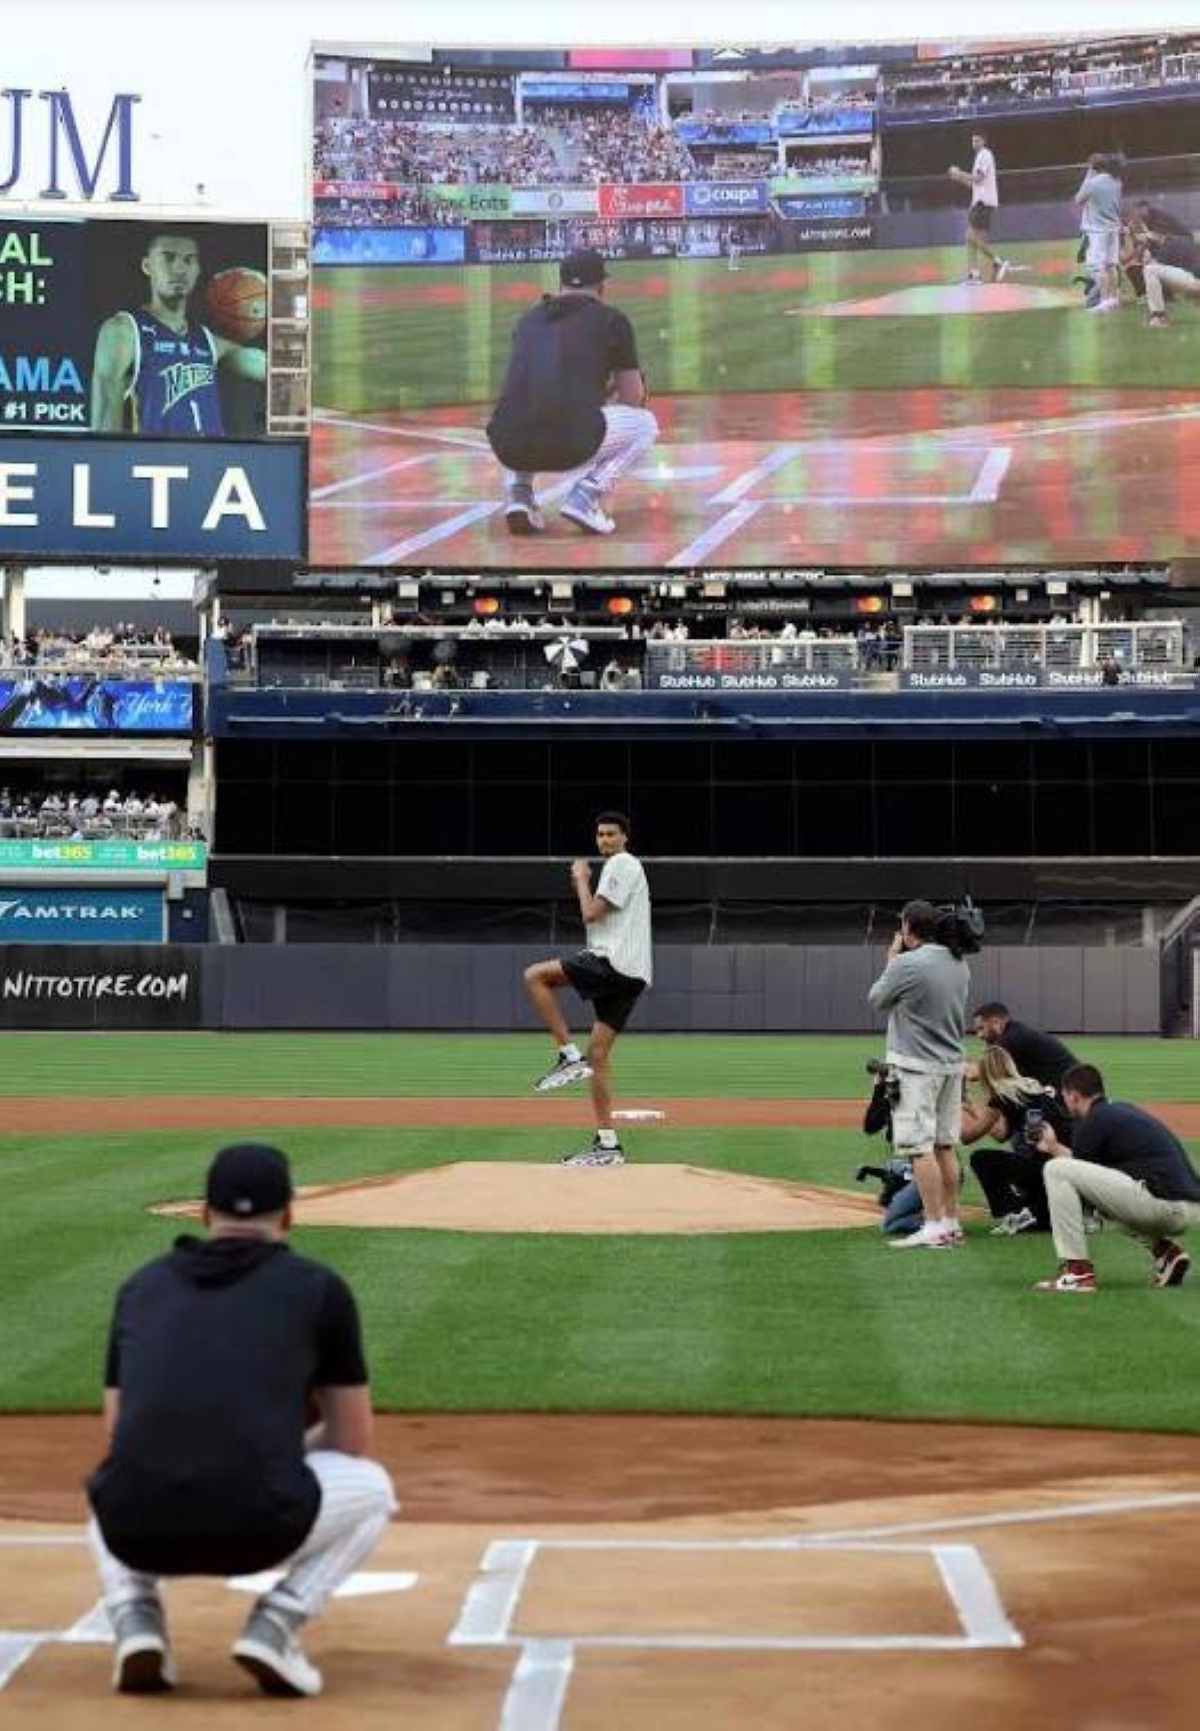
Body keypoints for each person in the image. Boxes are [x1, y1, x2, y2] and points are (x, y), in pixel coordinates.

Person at [86, 1144, 396, 1698]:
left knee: (115, 1478)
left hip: (138, 1531)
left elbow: (119, 1433)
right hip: (261, 1528)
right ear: (289, 1214)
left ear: (205, 1213)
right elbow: (352, 1439)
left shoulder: (141, 1287)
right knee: (374, 1488)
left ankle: (135, 1620)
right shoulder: (318, 1289)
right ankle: (277, 1623)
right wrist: (278, 1443)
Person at [486, 248, 658, 538]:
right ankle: (587, 494)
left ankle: (519, 495)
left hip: (506, 443)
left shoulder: (527, 320)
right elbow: (633, 398)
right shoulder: (612, 319)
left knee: (522, 406)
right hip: (570, 444)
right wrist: (607, 395)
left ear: (560, 284)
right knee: (646, 425)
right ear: (601, 286)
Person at [523, 810, 652, 1167]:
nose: (605, 840)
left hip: (614, 962)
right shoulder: (624, 868)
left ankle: (567, 1055)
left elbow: (591, 913)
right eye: (600, 834)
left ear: (625, 837)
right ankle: (607, 1145)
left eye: (612, 834)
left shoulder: (622, 864)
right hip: (633, 973)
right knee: (598, 1057)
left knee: (535, 976)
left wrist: (581, 879)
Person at [1032, 1064, 1200, 1293]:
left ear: (1073, 1095)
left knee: (1055, 1170)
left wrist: (1053, 1150)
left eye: (1065, 1097)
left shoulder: (1092, 1121)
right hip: (1188, 1207)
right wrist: (1053, 1147)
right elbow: (1089, 1175)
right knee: (1098, 1200)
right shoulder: (1121, 1110)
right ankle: (1166, 1254)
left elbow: (1073, 1171)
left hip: (1163, 1206)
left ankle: (1077, 1273)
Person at [867, 899, 971, 1249]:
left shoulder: (909, 963)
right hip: (951, 1066)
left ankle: (933, 1224)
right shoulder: (959, 962)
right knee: (945, 1146)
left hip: (916, 1066)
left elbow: (878, 998)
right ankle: (951, 1222)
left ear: (910, 928)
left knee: (918, 1148)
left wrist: (892, 959)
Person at [91, 231, 267, 435]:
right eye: (168, 258)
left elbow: (272, 372)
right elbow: (103, 424)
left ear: (197, 269)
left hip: (211, 461)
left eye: (188, 260)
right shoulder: (125, 330)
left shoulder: (208, 342)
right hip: (158, 462)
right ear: (147, 266)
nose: (179, 268)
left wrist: (269, 303)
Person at [961, 1045, 1071, 1235]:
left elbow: (968, 1137)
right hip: (1066, 1167)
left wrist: (961, 1105)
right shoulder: (1029, 1086)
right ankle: (1037, 1211)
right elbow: (1002, 1134)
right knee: (1042, 1219)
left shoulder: (1002, 1094)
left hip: (1047, 1169)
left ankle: (1013, 1212)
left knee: (981, 1159)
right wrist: (973, 1107)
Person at [947, 131, 1023, 283]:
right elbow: (975, 184)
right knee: (973, 239)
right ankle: (974, 274)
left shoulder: (984, 155)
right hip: (982, 201)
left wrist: (960, 172)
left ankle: (999, 261)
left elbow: (979, 178)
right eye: (973, 141)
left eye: (977, 140)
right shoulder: (980, 156)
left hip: (983, 202)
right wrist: (959, 178)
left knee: (970, 236)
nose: (974, 143)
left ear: (983, 141)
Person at [970, 1003, 1077, 1093]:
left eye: (981, 1028)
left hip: (1069, 1093)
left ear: (996, 1022)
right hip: (1065, 1088)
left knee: (1000, 1088)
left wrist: (956, 1068)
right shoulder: (1013, 1031)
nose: (979, 1035)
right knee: (1006, 1085)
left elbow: (977, 1074)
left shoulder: (1010, 1039)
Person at [1074, 153, 1124, 314]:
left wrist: (1088, 175)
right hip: (1113, 229)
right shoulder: (1117, 181)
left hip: (1097, 231)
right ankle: (1114, 298)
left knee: (1097, 266)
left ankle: (1104, 300)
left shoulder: (1092, 183)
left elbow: (1078, 200)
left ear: (1092, 167)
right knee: (1111, 265)